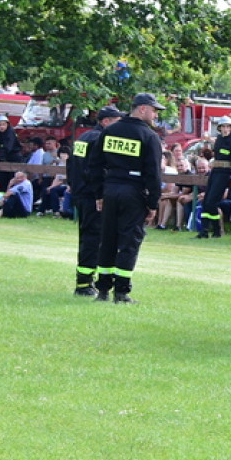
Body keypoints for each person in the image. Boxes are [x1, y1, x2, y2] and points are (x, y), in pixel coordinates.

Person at [85, 93, 164, 304]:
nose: (156, 114)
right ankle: (121, 292)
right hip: (133, 192)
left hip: (110, 189)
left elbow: (94, 165)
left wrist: (99, 193)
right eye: (154, 110)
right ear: (142, 109)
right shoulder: (149, 137)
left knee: (108, 239)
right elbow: (153, 174)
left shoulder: (110, 131)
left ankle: (102, 290)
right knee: (129, 241)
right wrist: (153, 203)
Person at [67, 105, 123, 296]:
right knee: (94, 239)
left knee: (87, 237)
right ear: (105, 121)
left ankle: (84, 281)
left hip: (81, 194)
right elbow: (97, 169)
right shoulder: (101, 139)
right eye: (117, 121)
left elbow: (71, 165)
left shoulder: (83, 137)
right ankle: (84, 284)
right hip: (93, 196)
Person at [196, 115, 231, 239]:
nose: (225, 129)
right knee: (207, 201)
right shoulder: (219, 139)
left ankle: (215, 230)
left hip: (224, 172)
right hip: (215, 171)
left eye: (228, 126)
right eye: (223, 126)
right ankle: (207, 231)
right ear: (220, 128)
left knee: (212, 201)